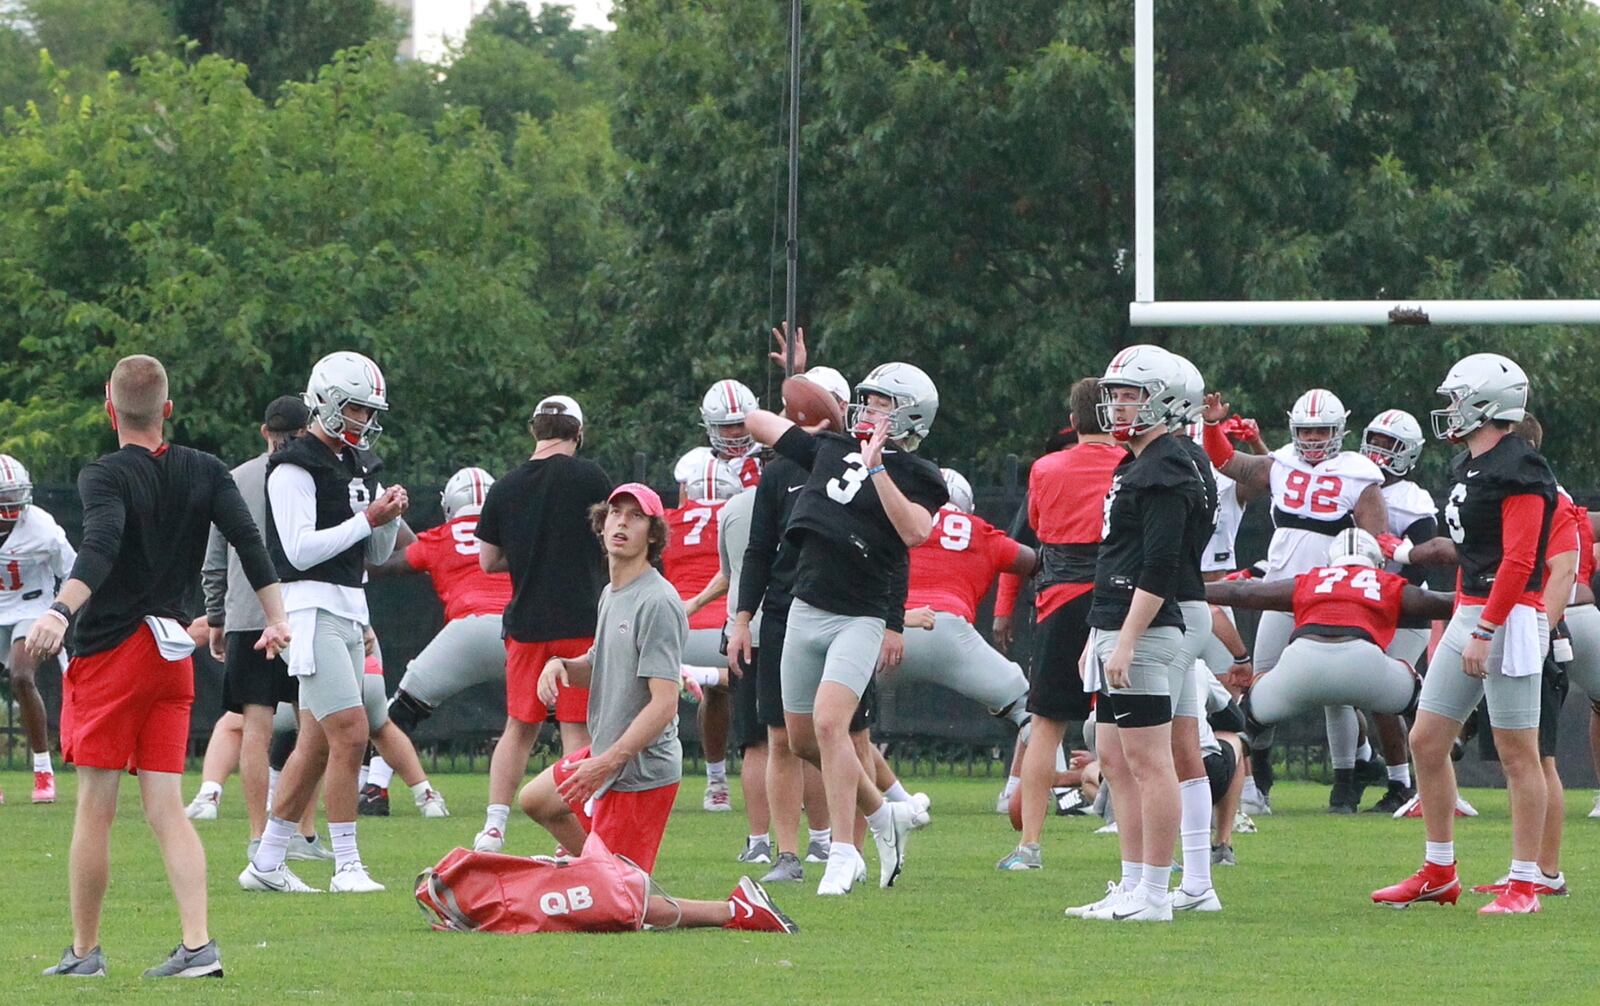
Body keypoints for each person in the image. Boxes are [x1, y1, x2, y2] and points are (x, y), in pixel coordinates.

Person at [28, 354, 290, 978]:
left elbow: (101, 544)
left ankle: (85, 954)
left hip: (114, 654)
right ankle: (198, 945)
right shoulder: (205, 469)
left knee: (95, 806)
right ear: (167, 409)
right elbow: (250, 543)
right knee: (167, 808)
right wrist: (276, 617)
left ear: (109, 407)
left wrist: (61, 612)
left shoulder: (104, 474)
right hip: (171, 654)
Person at [513, 483, 797, 934]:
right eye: (615, 513)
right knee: (538, 801)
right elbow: (600, 663)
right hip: (607, 756)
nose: (621, 522)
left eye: (635, 516)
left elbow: (665, 705)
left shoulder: (659, 601)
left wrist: (609, 761)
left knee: (621, 908)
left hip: (638, 771)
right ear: (601, 524)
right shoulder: (612, 593)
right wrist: (560, 664)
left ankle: (735, 909)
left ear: (653, 534)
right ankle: (597, 870)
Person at [742, 362, 948, 895]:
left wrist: (878, 469)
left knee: (833, 726)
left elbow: (916, 531)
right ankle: (884, 818)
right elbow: (756, 419)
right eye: (867, 400)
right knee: (802, 740)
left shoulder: (921, 475)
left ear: (907, 416)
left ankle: (842, 854)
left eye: (881, 403)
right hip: (804, 607)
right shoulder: (832, 449)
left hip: (859, 614)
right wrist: (817, 412)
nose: (869, 409)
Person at [1372, 353, 1556, 915]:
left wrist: (1485, 627)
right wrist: (1461, 622)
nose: (1449, 410)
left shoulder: (1520, 468)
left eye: (1457, 399)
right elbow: (1474, 554)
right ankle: (1438, 870)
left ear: (1486, 404)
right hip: (1471, 611)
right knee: (1426, 740)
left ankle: (1526, 883)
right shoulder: (1469, 467)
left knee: (1517, 754)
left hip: (1508, 618)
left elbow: (1521, 560)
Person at [243, 351, 409, 895]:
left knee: (314, 742)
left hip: (347, 605)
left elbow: (375, 550)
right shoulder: (294, 464)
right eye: (357, 409)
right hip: (309, 606)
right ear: (330, 403)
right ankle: (347, 865)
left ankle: (265, 863)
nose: (364, 420)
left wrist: (388, 517)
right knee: (352, 732)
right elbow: (298, 550)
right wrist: (368, 518)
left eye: (368, 411)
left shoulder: (359, 464)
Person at [1065, 344, 1205, 924]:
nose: (1118, 405)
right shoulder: (1137, 462)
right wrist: (1095, 635)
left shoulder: (1167, 465)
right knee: (1115, 758)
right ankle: (1130, 884)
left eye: (1131, 395)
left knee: (1150, 762)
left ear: (1165, 401)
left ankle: (1153, 892)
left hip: (1144, 632)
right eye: (1116, 395)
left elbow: (1160, 564)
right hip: (1115, 623)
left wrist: (1123, 639)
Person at [1201, 387, 1389, 813]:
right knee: (1260, 684)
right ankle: (1258, 777)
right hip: (1282, 589)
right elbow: (1226, 461)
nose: (1313, 438)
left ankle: (1345, 780)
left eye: (1322, 430)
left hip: (1331, 594)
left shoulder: (1359, 474)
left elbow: (1371, 542)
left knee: (1335, 690)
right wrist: (1213, 426)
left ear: (1339, 430)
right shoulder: (1281, 462)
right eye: (1306, 430)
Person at [727, 368, 850, 884]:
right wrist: (741, 619)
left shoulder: (857, 465)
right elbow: (758, 549)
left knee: (840, 735)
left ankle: (845, 845)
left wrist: (890, 621)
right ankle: (788, 851)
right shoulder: (779, 474)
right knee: (782, 736)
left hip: (840, 608)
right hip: (783, 611)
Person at [473, 395, 612, 853]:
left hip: (526, 622)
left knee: (519, 726)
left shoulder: (505, 486)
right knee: (576, 728)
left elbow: (488, 559)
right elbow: (611, 541)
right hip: (579, 619)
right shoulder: (591, 477)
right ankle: (572, 828)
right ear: (578, 433)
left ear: (535, 430)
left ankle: (493, 827)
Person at [997, 378, 1126, 870]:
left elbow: (1036, 527)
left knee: (1045, 727)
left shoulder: (1045, 468)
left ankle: (1029, 845)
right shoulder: (1129, 466)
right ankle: (1141, 850)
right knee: (1130, 730)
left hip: (1058, 602)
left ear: (1072, 422)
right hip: (1116, 601)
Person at [186, 397, 322, 855]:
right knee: (311, 727)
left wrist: (218, 616)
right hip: (304, 613)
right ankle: (302, 831)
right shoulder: (316, 475)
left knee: (255, 731)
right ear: (306, 431)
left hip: (247, 616)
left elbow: (213, 556)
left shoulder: (237, 478)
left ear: (265, 430)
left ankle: (258, 835)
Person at [361, 466, 512, 802]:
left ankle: (375, 790)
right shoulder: (516, 534)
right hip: (517, 632)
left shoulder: (442, 537)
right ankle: (586, 793)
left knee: (399, 712)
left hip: (466, 632)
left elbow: (389, 564)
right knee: (562, 716)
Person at [898, 467, 1035, 728]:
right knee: (1032, 711)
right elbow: (1033, 562)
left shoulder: (892, 521)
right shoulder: (978, 530)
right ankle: (1044, 770)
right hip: (948, 629)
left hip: (888, 629)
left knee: (838, 718)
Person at [1359, 408, 1439, 812]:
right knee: (1362, 694)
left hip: (1404, 610)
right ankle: (1379, 773)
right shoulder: (1354, 481)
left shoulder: (1413, 500)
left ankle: (1405, 783)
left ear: (1407, 453)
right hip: (1365, 605)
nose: (1378, 450)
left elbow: (1423, 563)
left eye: (1389, 445)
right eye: (1375, 440)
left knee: (1385, 696)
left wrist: (1395, 548)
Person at [663, 456, 743, 811]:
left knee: (715, 697)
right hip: (729, 631)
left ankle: (716, 783)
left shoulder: (666, 521)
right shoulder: (741, 520)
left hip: (681, 632)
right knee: (776, 688)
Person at [0, 453, 76, 804]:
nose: (13, 502)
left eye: (16, 493)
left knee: (21, 676)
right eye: (6, 495)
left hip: (32, 606)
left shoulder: (41, 527)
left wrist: (59, 613)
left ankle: (43, 769)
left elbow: (75, 570)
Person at [674, 379, 764, 505]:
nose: (735, 432)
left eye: (740, 424)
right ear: (711, 426)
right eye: (727, 426)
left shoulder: (769, 452)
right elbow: (683, 513)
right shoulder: (694, 465)